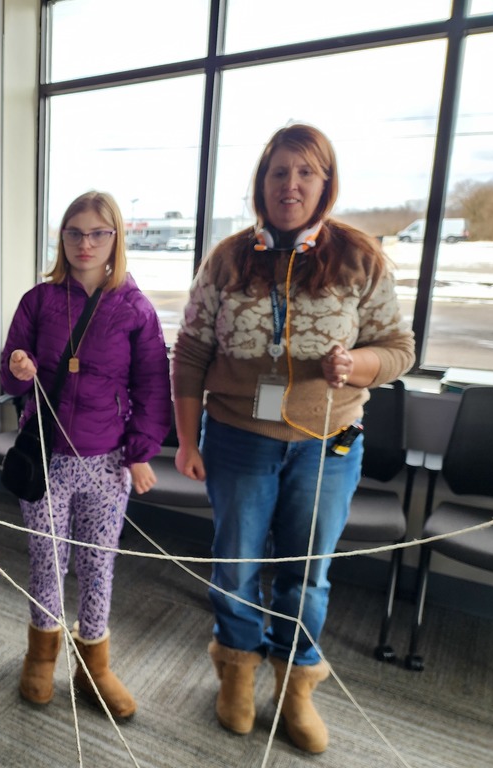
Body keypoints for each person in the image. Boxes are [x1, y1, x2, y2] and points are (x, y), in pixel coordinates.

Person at [171, 124, 414, 753]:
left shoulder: (360, 257)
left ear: (325, 183)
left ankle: (296, 683)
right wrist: (186, 440)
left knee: (307, 574)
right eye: (279, 172)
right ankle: (237, 673)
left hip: (326, 444)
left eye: (306, 172)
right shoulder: (227, 258)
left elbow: (400, 350)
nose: (291, 185)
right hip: (237, 439)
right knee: (238, 564)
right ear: (263, 182)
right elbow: (191, 352)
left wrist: (356, 366)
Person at [0, 190, 171, 719]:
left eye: (98, 232)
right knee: (47, 564)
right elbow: (9, 366)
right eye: (74, 232)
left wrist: (141, 452)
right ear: (62, 238)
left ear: (116, 238)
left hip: (108, 461)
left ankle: (94, 665)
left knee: (98, 566)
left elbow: (151, 387)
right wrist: (19, 368)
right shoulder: (39, 301)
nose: (85, 243)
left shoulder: (135, 309)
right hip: (46, 455)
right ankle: (41, 655)